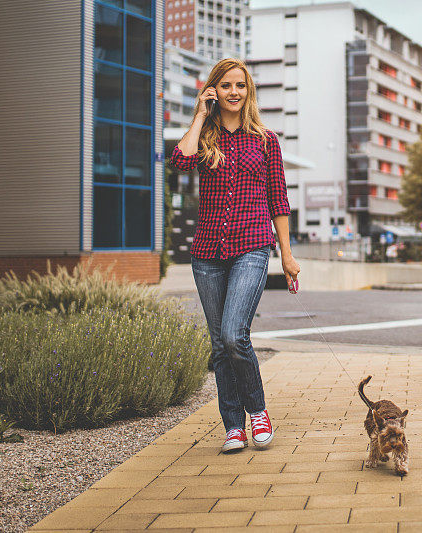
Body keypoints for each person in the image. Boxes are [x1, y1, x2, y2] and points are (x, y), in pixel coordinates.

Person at [169, 58, 300, 453]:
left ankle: (257, 411)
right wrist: (198, 116)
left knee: (233, 335)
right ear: (214, 90)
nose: (233, 92)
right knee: (218, 344)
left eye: (240, 85)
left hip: (253, 245)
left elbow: (278, 198)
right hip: (208, 251)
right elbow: (179, 161)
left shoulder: (265, 140)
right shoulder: (205, 137)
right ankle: (233, 426)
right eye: (225, 86)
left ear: (249, 91)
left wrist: (287, 256)